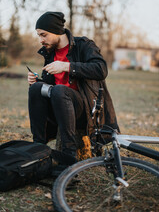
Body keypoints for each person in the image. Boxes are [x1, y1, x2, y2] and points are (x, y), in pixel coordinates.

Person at [28, 11, 119, 162]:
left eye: (43, 35)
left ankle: (69, 156)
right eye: (39, 35)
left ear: (56, 30)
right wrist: (37, 81)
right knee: (36, 89)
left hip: (85, 111)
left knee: (60, 91)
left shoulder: (83, 45)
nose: (41, 40)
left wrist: (67, 66)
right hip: (59, 108)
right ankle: (38, 149)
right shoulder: (50, 53)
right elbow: (51, 85)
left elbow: (101, 69)